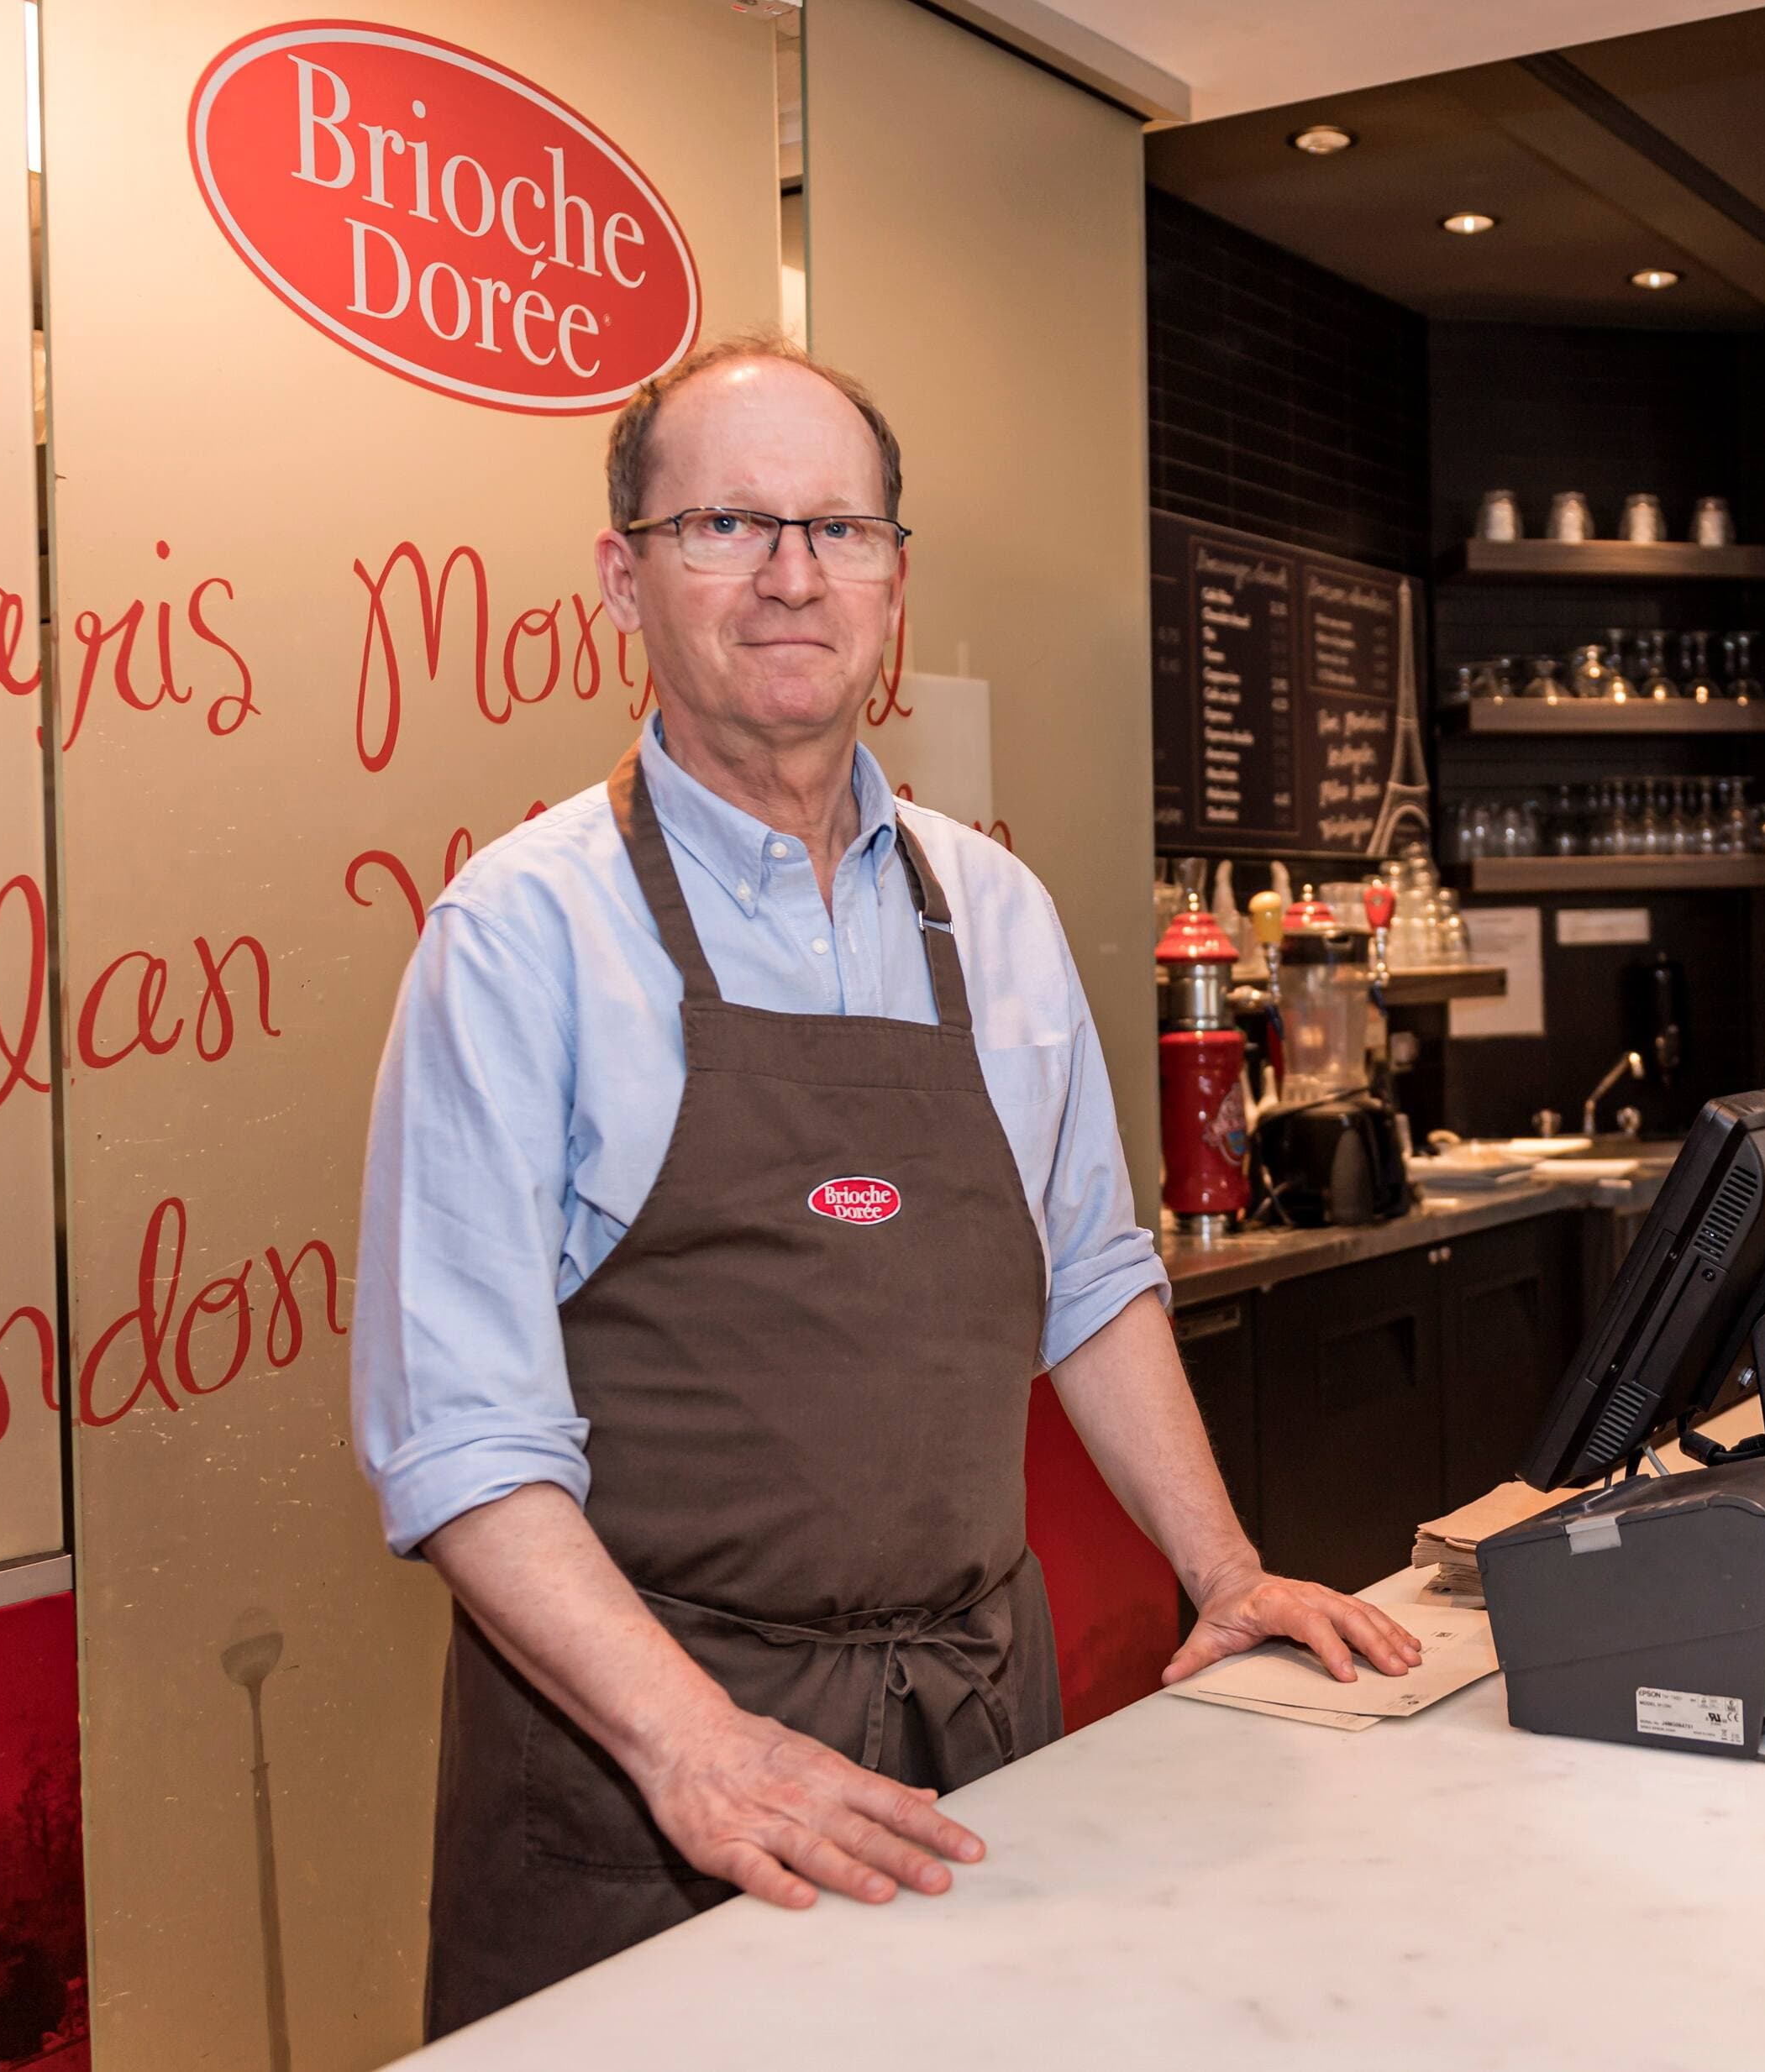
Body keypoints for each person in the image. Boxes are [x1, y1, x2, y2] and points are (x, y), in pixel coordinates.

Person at [352, 333, 1421, 2036]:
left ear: (893, 585)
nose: (791, 576)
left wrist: (1224, 1569)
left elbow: (1091, 1278)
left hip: (970, 1739)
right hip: (646, 1785)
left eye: (839, 529)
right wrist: (694, 1745)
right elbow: (460, 1441)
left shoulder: (994, 910)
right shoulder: (522, 933)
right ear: (623, 577)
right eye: (726, 524)